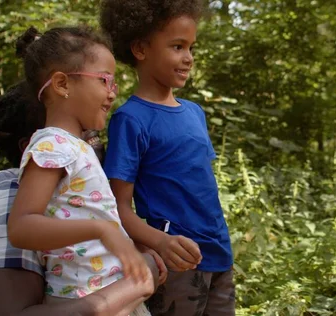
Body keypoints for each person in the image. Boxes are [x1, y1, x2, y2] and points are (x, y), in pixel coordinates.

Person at [0, 81, 164, 315]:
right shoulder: (9, 198)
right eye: (83, 136)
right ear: (34, 148)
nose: (95, 146)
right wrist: (138, 282)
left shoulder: (71, 197)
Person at [5, 26, 157, 314]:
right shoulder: (52, 146)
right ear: (62, 84)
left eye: (114, 84)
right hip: (83, 298)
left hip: (114, 293)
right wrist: (101, 230)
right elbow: (22, 227)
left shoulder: (77, 147)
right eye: (104, 80)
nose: (113, 94)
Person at [100, 0, 235, 314]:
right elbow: (117, 208)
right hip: (175, 265)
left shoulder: (195, 113)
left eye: (191, 48)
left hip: (219, 254)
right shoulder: (131, 119)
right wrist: (160, 242)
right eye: (177, 46)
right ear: (140, 49)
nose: (188, 58)